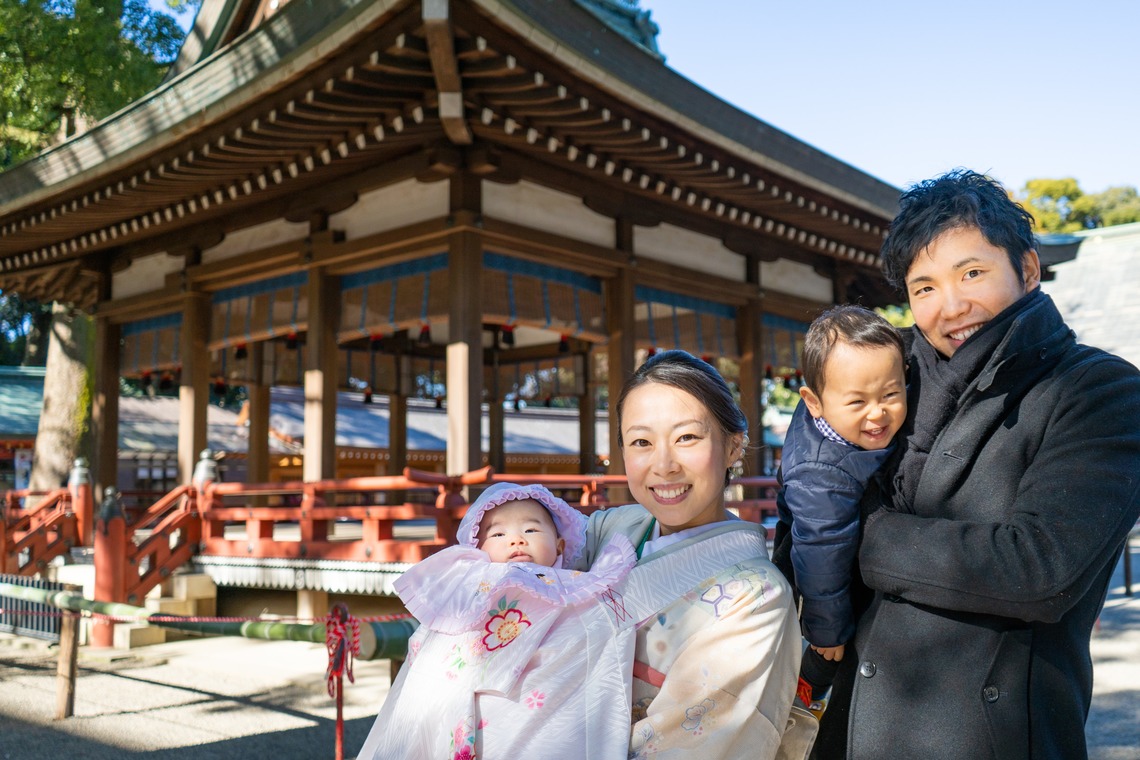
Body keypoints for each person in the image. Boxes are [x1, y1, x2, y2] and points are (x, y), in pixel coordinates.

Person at [813, 169, 1140, 759]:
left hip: (992, 738)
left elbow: (1039, 570)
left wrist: (860, 534)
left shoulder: (1099, 391)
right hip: (850, 732)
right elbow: (811, 484)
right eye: (925, 287)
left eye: (972, 273)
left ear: (1029, 270)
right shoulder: (893, 383)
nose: (952, 305)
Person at [577, 350, 803, 758]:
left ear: (734, 446)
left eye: (687, 437)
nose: (663, 465)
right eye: (641, 442)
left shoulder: (757, 598)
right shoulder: (613, 531)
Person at [356, 482, 639, 759]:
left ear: (560, 544)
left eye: (531, 529)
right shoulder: (473, 585)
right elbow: (439, 643)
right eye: (499, 534)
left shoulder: (579, 586)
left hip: (539, 697)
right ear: (477, 548)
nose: (517, 540)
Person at [770, 305, 906, 717]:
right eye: (857, 401)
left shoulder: (835, 419)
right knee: (823, 659)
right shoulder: (820, 475)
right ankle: (799, 698)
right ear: (814, 402)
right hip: (813, 576)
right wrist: (826, 629)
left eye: (891, 394)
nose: (877, 413)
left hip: (819, 552)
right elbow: (821, 552)